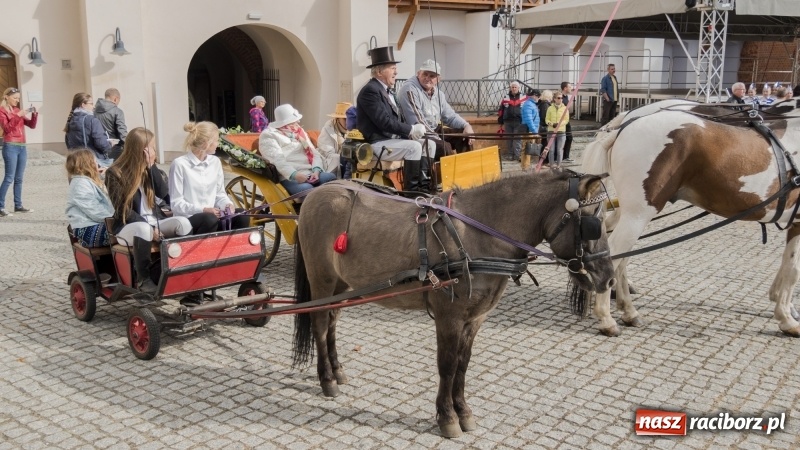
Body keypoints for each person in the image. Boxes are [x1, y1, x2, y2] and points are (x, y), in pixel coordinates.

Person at [106, 128, 193, 294]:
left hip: (155, 221)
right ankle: (143, 279)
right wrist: (150, 228)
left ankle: (182, 269)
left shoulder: (150, 170)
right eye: (151, 147)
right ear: (141, 150)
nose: (154, 151)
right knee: (144, 228)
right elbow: (123, 210)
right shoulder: (114, 173)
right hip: (128, 227)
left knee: (183, 222)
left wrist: (152, 166)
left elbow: (166, 195)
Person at [356, 46, 429, 192]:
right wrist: (411, 130)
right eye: (392, 68)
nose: (396, 72)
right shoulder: (370, 91)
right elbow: (384, 122)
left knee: (429, 144)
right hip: (377, 142)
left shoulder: (387, 90)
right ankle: (412, 192)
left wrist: (413, 129)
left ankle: (425, 187)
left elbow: (398, 119)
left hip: (391, 140)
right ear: (379, 72)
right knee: (414, 147)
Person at [170, 121, 250, 233]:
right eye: (216, 140)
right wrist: (203, 210)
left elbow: (220, 194)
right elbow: (176, 204)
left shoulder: (215, 162)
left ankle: (236, 249)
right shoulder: (179, 164)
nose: (218, 144)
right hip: (188, 220)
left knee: (242, 215)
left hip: (212, 218)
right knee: (209, 219)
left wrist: (228, 205)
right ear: (206, 143)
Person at [397, 59, 474, 159]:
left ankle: (467, 169)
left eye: (432, 76)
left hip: (432, 130)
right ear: (418, 73)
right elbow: (417, 122)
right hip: (414, 133)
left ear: (438, 79)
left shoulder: (438, 94)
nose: (428, 78)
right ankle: (445, 174)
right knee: (444, 147)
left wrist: (466, 125)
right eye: (425, 74)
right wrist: (438, 139)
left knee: (463, 136)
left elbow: (450, 116)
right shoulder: (409, 90)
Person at [258, 104, 337, 195]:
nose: (298, 122)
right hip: (288, 177)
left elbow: (313, 152)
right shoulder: (268, 135)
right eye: (294, 121)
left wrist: (316, 170)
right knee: (307, 189)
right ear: (285, 123)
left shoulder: (300, 131)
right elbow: (277, 160)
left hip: (310, 172)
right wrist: (295, 175)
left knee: (331, 178)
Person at [65, 149, 115, 247]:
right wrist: (116, 219)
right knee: (133, 231)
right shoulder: (80, 184)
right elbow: (95, 211)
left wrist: (106, 176)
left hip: (97, 224)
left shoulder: (89, 181)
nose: (98, 164)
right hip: (88, 229)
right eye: (95, 162)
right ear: (88, 164)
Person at [0, 87, 38, 217]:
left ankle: (18, 205)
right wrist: (18, 116)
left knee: (19, 178)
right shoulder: (2, 111)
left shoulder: (17, 111)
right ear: (7, 97)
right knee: (9, 177)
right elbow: (7, 128)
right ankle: (0, 206)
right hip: (10, 145)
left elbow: (31, 125)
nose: (17, 100)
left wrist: (34, 114)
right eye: (15, 98)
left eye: (18, 98)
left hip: (22, 146)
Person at [64, 92, 113, 168]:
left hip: (76, 162)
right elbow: (101, 143)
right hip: (92, 162)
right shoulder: (92, 120)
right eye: (91, 104)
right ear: (83, 105)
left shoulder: (71, 120)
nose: (94, 107)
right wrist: (110, 144)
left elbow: (68, 144)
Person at [317, 102, 352, 177]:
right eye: (345, 119)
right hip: (330, 163)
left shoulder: (354, 129)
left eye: (350, 119)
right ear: (338, 119)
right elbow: (326, 153)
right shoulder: (327, 129)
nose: (348, 122)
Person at [94, 88, 128, 160]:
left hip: (98, 147)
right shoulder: (117, 111)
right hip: (114, 148)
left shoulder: (94, 111)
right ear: (115, 99)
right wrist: (129, 145)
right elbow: (122, 132)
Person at [497, 81, 527, 161]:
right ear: (510, 88)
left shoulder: (523, 97)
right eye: (512, 87)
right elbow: (501, 110)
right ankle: (510, 155)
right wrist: (500, 121)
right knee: (509, 139)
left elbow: (527, 109)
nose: (514, 89)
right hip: (508, 121)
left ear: (518, 88)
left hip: (519, 121)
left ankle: (518, 155)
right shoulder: (505, 97)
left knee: (517, 139)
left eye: (515, 87)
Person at [545, 92, 569, 169]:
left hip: (561, 131)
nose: (560, 99)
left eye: (561, 98)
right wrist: (551, 124)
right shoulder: (550, 108)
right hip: (551, 131)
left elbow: (566, 120)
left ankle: (559, 165)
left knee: (559, 150)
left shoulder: (565, 108)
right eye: (558, 98)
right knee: (551, 150)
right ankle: (551, 165)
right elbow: (547, 119)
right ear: (554, 99)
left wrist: (559, 124)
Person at [520, 89, 541, 171]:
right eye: (538, 97)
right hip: (529, 130)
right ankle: (525, 167)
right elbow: (529, 119)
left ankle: (526, 166)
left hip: (531, 129)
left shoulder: (531, 104)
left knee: (528, 148)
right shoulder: (529, 105)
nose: (539, 98)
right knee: (526, 148)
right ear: (535, 96)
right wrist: (535, 131)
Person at [559, 81, 574, 163]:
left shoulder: (566, 97)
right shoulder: (560, 97)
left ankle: (566, 156)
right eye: (569, 86)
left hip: (566, 120)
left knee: (569, 138)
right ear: (565, 88)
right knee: (563, 139)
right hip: (561, 122)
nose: (571, 88)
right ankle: (562, 156)